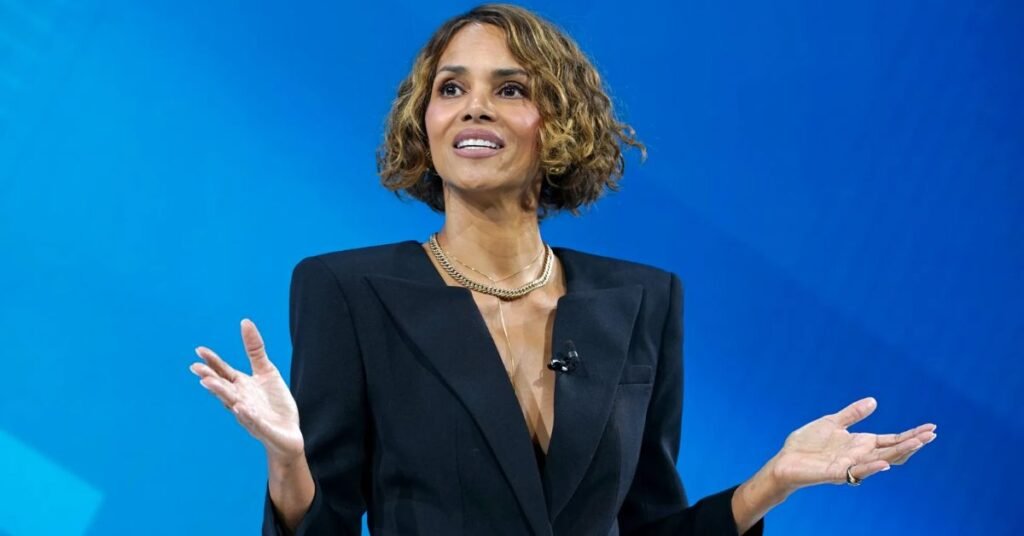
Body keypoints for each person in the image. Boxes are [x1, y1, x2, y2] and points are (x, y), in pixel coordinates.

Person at [188, 4, 937, 535]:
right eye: (451, 88)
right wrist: (288, 462)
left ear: (561, 125)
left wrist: (771, 483)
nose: (473, 108)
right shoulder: (347, 291)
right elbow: (321, 525)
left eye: (510, 89)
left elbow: (651, 525)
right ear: (425, 122)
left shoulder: (643, 299)